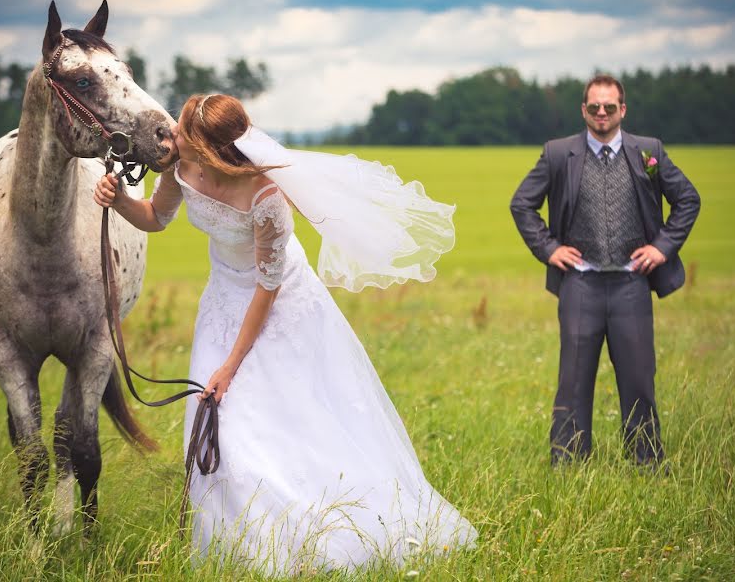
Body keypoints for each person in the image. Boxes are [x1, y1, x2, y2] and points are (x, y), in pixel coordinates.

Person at [93, 93, 475, 572]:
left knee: (284, 416)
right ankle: (235, 547)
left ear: (209, 148)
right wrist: (121, 200)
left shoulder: (265, 197)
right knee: (220, 426)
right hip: (221, 303)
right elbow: (155, 218)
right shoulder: (178, 168)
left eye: (184, 132)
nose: (171, 137)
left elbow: (267, 289)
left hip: (276, 306)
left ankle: (309, 535)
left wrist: (229, 367)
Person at [510, 74, 700, 469]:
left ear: (622, 110)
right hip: (581, 283)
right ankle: (568, 464)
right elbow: (521, 205)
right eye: (594, 107)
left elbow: (688, 200)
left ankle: (646, 462)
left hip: (632, 283)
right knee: (574, 380)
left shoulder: (650, 152)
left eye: (609, 107)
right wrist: (549, 248)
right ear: (583, 110)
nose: (601, 113)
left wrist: (662, 247)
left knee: (638, 379)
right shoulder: (558, 154)